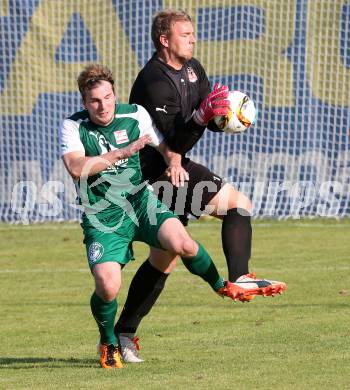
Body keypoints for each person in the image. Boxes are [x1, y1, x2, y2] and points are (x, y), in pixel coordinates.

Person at [114, 9, 287, 363]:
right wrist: (201, 117)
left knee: (166, 257)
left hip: (175, 168)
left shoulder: (194, 70)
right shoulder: (154, 81)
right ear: (165, 40)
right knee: (234, 206)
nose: (193, 39)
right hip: (154, 174)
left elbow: (204, 119)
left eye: (193, 33)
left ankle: (124, 334)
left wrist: (226, 117)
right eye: (185, 34)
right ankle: (239, 276)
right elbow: (175, 141)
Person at [60, 63, 258, 369]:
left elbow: (165, 147)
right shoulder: (74, 127)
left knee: (183, 244)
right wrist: (121, 154)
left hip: (141, 203)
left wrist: (174, 162)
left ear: (114, 93)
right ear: (85, 103)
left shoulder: (135, 114)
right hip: (103, 215)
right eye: (95, 101)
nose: (104, 106)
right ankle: (108, 340)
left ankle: (222, 285)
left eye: (108, 97)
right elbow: (76, 168)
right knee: (107, 286)